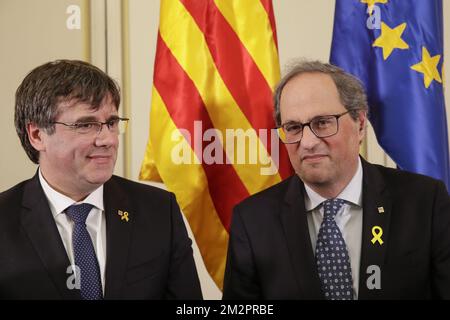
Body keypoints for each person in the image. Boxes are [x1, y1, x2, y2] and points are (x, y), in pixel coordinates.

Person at [223, 60, 450, 300]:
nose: (307, 142)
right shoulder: (252, 220)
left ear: (360, 125)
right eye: (293, 127)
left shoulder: (426, 201)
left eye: (322, 123)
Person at [0, 60, 202, 300]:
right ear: (37, 135)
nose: (107, 139)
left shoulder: (158, 210)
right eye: (86, 124)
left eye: (112, 123)